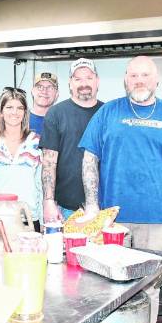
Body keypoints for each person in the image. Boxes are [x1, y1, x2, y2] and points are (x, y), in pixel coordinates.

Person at [79, 56, 162, 323]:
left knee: (149, 288)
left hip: (156, 220)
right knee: (107, 286)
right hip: (112, 220)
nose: (139, 80)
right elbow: (89, 160)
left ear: (156, 79)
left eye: (145, 75)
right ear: (125, 80)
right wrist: (93, 206)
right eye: (133, 76)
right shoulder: (107, 113)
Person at [40, 58, 103, 222]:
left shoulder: (107, 113)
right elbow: (48, 163)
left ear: (97, 81)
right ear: (70, 83)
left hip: (104, 210)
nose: (84, 83)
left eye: (89, 78)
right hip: (66, 210)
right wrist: (48, 202)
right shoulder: (55, 114)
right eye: (78, 79)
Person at [0, 87, 42, 236]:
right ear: (1, 112)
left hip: (27, 215)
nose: (15, 112)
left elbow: (41, 184)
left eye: (20, 108)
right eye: (9, 107)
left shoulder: (35, 142)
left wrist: (42, 218)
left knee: (27, 258)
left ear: (25, 113)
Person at [29, 72, 59, 136]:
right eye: (39, 87)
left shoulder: (63, 122)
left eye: (50, 87)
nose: (44, 91)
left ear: (56, 94)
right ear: (32, 91)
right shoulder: (20, 119)